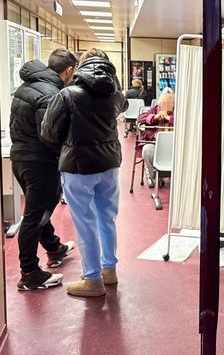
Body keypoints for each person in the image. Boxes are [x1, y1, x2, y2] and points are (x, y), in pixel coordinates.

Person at [41, 48, 128, 297]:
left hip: (78, 167)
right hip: (110, 165)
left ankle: (92, 279)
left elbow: (48, 132)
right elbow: (123, 105)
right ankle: (109, 270)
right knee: (107, 218)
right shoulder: (115, 94)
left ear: (80, 66)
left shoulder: (68, 95)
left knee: (85, 223)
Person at [9, 49, 77, 291]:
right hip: (39, 162)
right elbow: (49, 135)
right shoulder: (51, 94)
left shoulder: (27, 86)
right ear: (69, 71)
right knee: (35, 216)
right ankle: (29, 273)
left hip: (20, 158)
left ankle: (54, 248)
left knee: (39, 208)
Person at [136, 89, 174, 188]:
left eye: (168, 103)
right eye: (163, 103)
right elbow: (140, 118)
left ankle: (174, 174)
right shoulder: (155, 109)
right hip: (155, 145)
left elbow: (184, 123)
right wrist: (154, 117)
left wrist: (169, 118)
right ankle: (155, 176)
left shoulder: (177, 111)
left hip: (174, 147)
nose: (165, 106)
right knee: (147, 150)